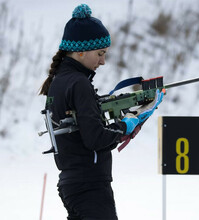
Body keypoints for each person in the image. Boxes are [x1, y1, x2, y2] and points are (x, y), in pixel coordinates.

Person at [39, 4, 163, 220]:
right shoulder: (79, 84)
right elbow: (95, 138)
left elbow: (82, 129)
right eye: (100, 53)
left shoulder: (59, 82)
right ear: (80, 52)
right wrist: (127, 124)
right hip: (90, 187)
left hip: (73, 184)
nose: (103, 61)